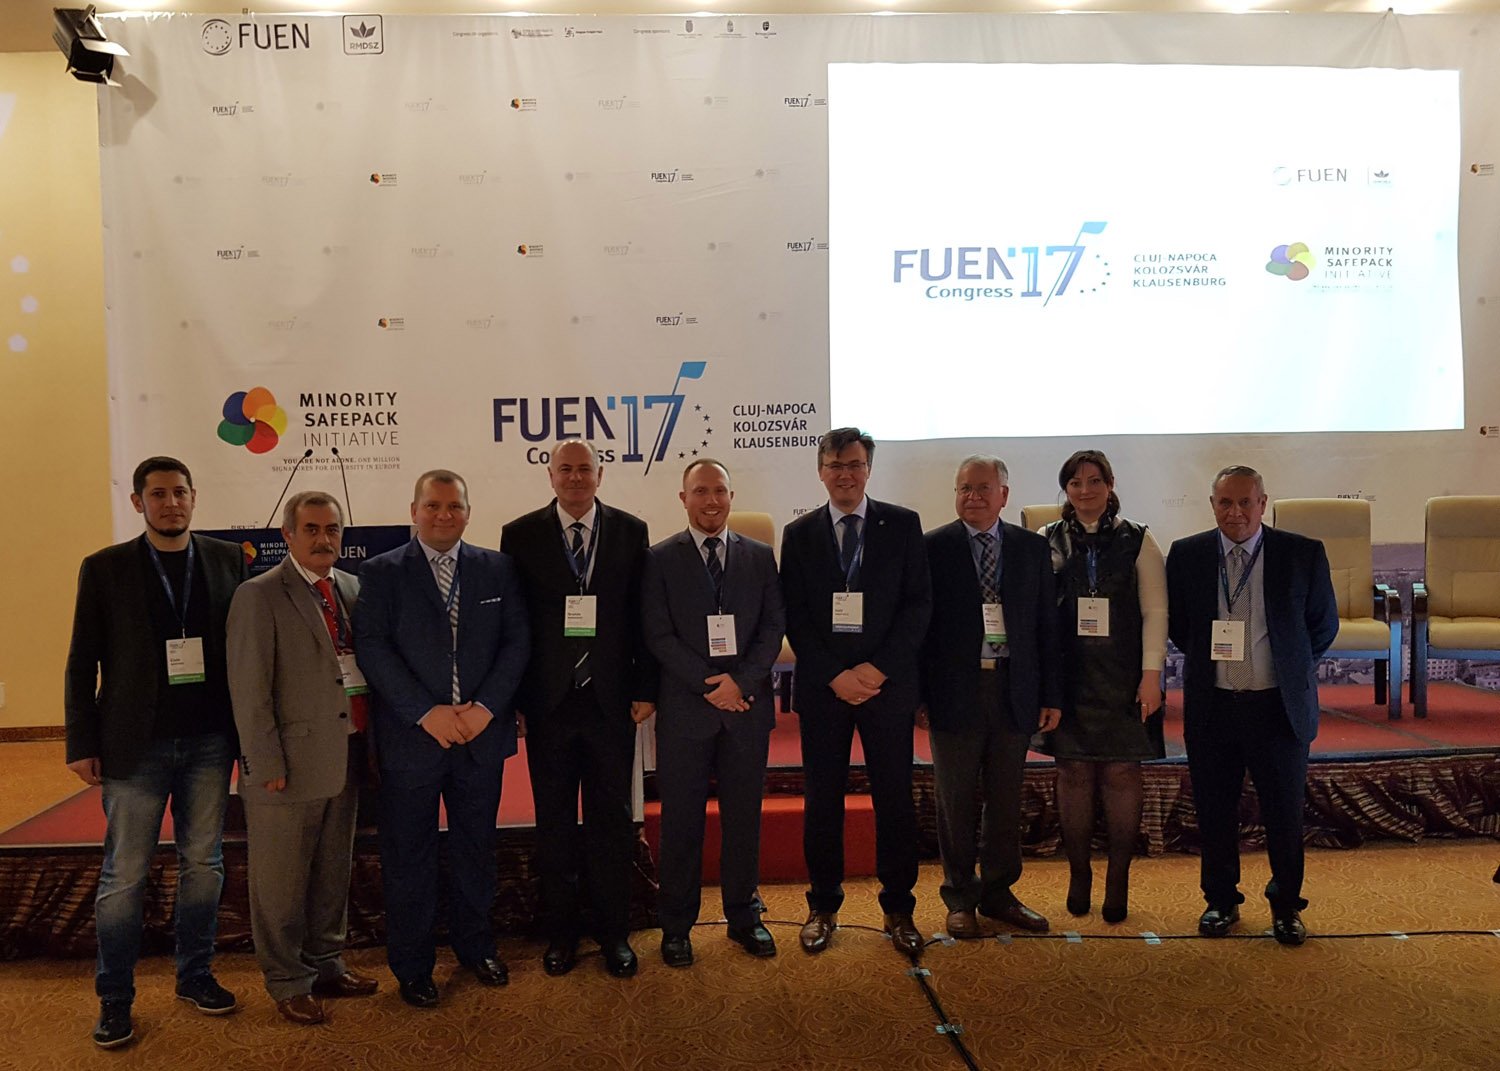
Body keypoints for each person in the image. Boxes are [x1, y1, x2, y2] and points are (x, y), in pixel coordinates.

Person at [64, 456, 248, 1048]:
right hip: (132, 746)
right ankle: (115, 998)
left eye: (180, 492)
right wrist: (80, 742)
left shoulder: (227, 559)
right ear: (139, 502)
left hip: (209, 741)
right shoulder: (105, 567)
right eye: (159, 494)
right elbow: (81, 660)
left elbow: (244, 653)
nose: (171, 503)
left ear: (194, 497)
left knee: (204, 865)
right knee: (124, 876)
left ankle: (195, 977)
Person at [352, 470, 529, 1006]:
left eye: (454, 506)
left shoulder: (498, 568)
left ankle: (477, 948)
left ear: (468, 513)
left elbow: (517, 642)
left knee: (477, 850)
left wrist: (486, 709)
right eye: (432, 505)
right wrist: (425, 713)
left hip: (480, 735)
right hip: (413, 740)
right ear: (414, 511)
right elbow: (373, 647)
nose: (443, 515)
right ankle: (413, 965)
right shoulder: (381, 572)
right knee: (409, 856)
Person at [499, 441, 657, 978]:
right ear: (550, 476)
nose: (574, 478)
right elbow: (515, 625)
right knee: (555, 825)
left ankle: (614, 933)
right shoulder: (520, 535)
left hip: (612, 703)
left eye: (584, 469)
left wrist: (645, 688)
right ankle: (562, 934)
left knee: (612, 822)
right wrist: (518, 701)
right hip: (549, 705)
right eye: (564, 469)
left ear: (600, 474)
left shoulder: (631, 531)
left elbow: (642, 618)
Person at [1166, 465, 1337, 945]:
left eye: (1245, 502)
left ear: (1263, 503)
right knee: (1214, 811)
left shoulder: (1301, 553)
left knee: (1284, 814)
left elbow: (1322, 624)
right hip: (1214, 705)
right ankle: (1221, 901)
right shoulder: (1187, 554)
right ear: (1212, 505)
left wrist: (1287, 667)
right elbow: (1181, 626)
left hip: (1277, 707)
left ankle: (1286, 907)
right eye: (1225, 502)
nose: (1235, 512)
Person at [226, 491, 379, 1025]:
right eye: (311, 529)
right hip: (287, 765)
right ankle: (288, 980)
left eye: (332, 529)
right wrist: (264, 762)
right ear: (288, 535)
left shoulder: (352, 589)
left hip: (346, 754)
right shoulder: (259, 595)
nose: (323, 538)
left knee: (331, 873)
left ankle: (326, 964)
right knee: (280, 883)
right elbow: (249, 689)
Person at [780, 427, 932, 958]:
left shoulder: (903, 524)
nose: (845, 474)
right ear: (820, 471)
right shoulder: (799, 534)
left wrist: (877, 670)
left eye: (855, 465)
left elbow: (918, 606)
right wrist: (835, 675)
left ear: (868, 469)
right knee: (823, 800)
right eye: (835, 465)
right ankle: (823, 906)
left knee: (895, 799)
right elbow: (795, 614)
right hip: (826, 690)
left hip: (886, 686)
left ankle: (899, 909)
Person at [641, 459, 786, 967]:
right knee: (681, 822)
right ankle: (676, 926)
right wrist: (711, 686)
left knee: (744, 820)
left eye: (719, 491)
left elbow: (773, 626)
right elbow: (658, 634)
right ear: (683, 498)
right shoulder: (659, 559)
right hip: (687, 711)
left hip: (746, 708)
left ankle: (745, 916)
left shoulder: (760, 556)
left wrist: (739, 683)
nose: (711, 500)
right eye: (700, 491)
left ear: (731, 496)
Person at [918, 455, 1061, 939]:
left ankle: (999, 894)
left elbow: (1046, 625)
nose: (972, 496)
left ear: (1004, 494)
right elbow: (919, 631)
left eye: (982, 488)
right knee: (954, 801)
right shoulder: (932, 547)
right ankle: (960, 897)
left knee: (1005, 800)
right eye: (964, 488)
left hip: (1013, 689)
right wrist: (919, 696)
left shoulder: (1030, 548)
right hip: (953, 692)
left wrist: (1050, 693)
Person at [1035, 450, 1167, 924]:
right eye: (1075, 482)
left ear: (1110, 485)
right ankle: (1078, 874)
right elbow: (1037, 615)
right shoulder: (1046, 538)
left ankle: (1118, 878)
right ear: (1066, 489)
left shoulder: (1139, 538)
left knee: (1121, 774)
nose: (1085, 490)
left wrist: (1151, 675)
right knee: (1072, 773)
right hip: (1068, 677)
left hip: (1124, 675)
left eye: (1094, 481)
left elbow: (1155, 611)